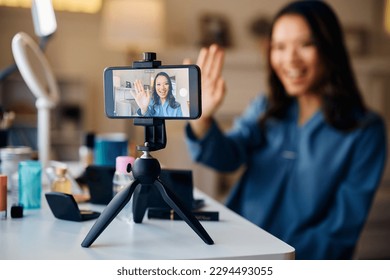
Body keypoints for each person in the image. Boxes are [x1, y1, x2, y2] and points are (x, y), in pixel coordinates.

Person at [185, 0, 387, 259]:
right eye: (279, 47)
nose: (290, 59)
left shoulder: (366, 130)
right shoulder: (265, 108)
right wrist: (202, 118)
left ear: (329, 48)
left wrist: (277, 261)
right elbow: (227, 156)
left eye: (306, 44)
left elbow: (338, 231)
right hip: (235, 252)